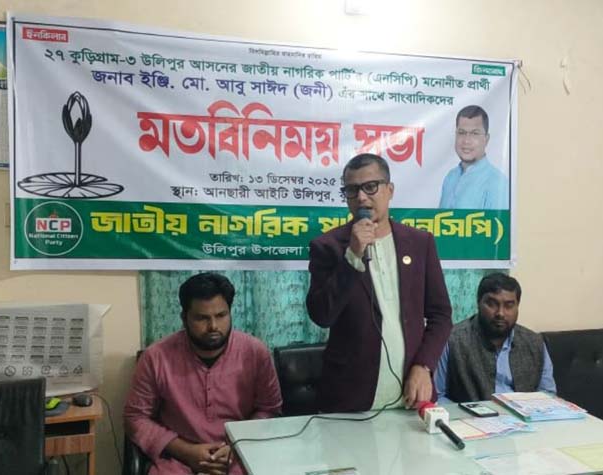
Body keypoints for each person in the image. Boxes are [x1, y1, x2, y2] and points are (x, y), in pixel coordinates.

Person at [306, 152, 453, 413]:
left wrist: (424, 366)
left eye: (370, 186)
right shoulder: (327, 247)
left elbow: (440, 315)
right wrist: (353, 255)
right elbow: (322, 315)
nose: (361, 197)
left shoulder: (420, 243)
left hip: (411, 394)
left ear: (389, 190)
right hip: (350, 399)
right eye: (352, 190)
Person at [123, 272, 282, 475]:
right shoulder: (156, 357)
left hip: (240, 454)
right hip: (178, 460)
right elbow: (135, 418)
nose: (213, 326)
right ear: (184, 318)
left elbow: (270, 410)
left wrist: (237, 446)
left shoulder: (256, 352)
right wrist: (186, 451)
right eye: (202, 318)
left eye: (221, 315)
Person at [434, 273, 556, 403]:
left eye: (509, 305)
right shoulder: (453, 339)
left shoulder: (535, 342)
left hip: (525, 414)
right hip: (469, 415)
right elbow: (438, 396)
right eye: (492, 304)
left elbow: (547, 394)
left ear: (517, 306)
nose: (500, 313)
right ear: (478, 302)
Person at [438, 105, 509, 209]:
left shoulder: (497, 183)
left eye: (475, 133)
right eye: (461, 133)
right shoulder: (450, 177)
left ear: (486, 139)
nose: (466, 141)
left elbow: (499, 220)